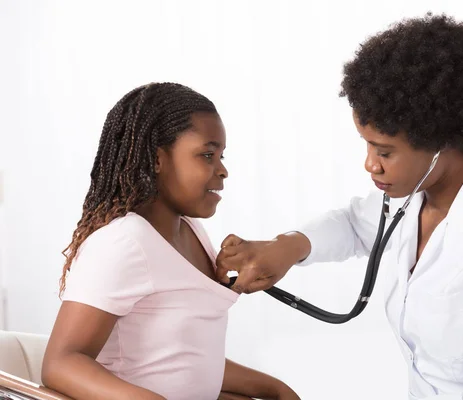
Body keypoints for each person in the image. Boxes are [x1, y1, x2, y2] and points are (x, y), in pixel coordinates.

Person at [215, 13, 463, 399]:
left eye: (384, 151)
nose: (370, 164)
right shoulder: (416, 196)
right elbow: (353, 224)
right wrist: (287, 247)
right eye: (366, 145)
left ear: (443, 143)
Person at [41, 83, 301, 400]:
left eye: (221, 156)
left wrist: (273, 388)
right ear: (156, 159)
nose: (223, 170)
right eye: (207, 155)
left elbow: (185, 357)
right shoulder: (124, 242)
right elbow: (62, 363)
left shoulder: (191, 230)